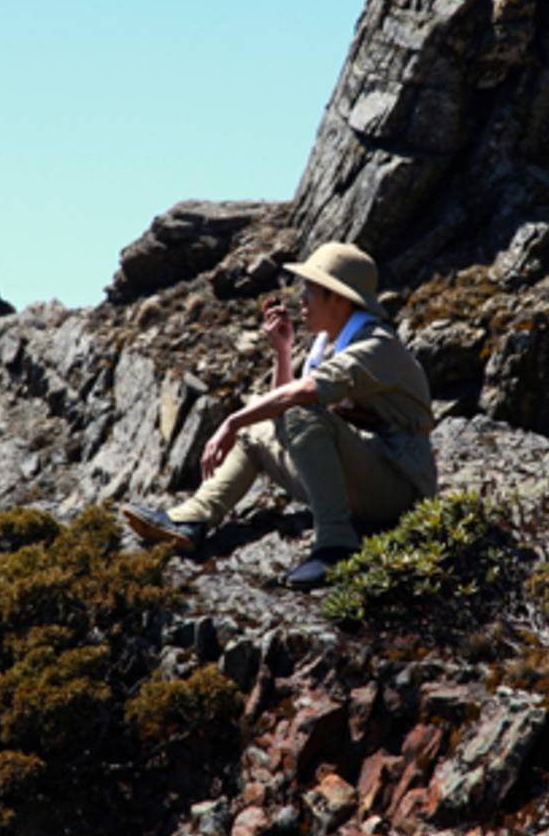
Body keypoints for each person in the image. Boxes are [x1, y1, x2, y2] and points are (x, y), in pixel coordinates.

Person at [122, 241, 437, 589]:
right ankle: (192, 519)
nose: (300, 299)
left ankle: (335, 544)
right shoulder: (332, 346)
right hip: (363, 478)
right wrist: (282, 352)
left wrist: (231, 421)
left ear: (338, 298)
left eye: (310, 290)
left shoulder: (377, 345)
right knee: (257, 431)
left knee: (285, 411)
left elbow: (300, 399)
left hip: (398, 488)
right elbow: (283, 412)